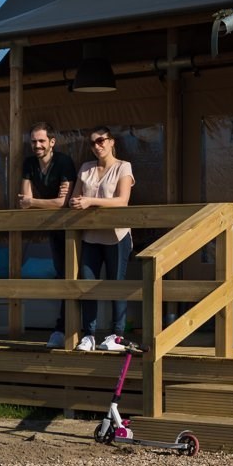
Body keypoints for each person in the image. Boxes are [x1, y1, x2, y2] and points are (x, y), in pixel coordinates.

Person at [69, 126, 136, 352]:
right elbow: (75, 198)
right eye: (92, 143)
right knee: (87, 285)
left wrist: (90, 202)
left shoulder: (123, 166)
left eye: (101, 141)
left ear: (111, 141)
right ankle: (89, 335)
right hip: (90, 236)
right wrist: (78, 202)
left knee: (116, 284)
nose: (97, 146)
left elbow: (122, 200)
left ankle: (117, 336)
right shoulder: (86, 168)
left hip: (117, 235)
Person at [17, 121, 77, 349]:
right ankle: (62, 329)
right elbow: (24, 202)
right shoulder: (29, 163)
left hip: (70, 228)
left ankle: (70, 328)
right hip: (53, 227)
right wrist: (39, 202)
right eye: (33, 141)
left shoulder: (63, 162)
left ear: (52, 142)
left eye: (42, 140)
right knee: (61, 275)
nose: (37, 145)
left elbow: (63, 202)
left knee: (72, 276)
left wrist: (34, 201)